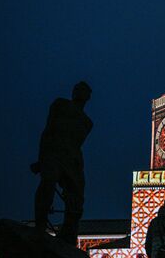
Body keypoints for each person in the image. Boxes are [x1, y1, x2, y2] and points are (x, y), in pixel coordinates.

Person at [33, 81, 93, 246]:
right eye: (77, 89)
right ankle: (40, 224)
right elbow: (48, 130)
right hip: (55, 152)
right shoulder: (60, 105)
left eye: (82, 91)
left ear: (88, 96)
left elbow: (76, 142)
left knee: (77, 197)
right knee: (48, 183)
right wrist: (42, 158)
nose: (78, 93)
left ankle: (69, 233)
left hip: (73, 159)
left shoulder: (87, 123)